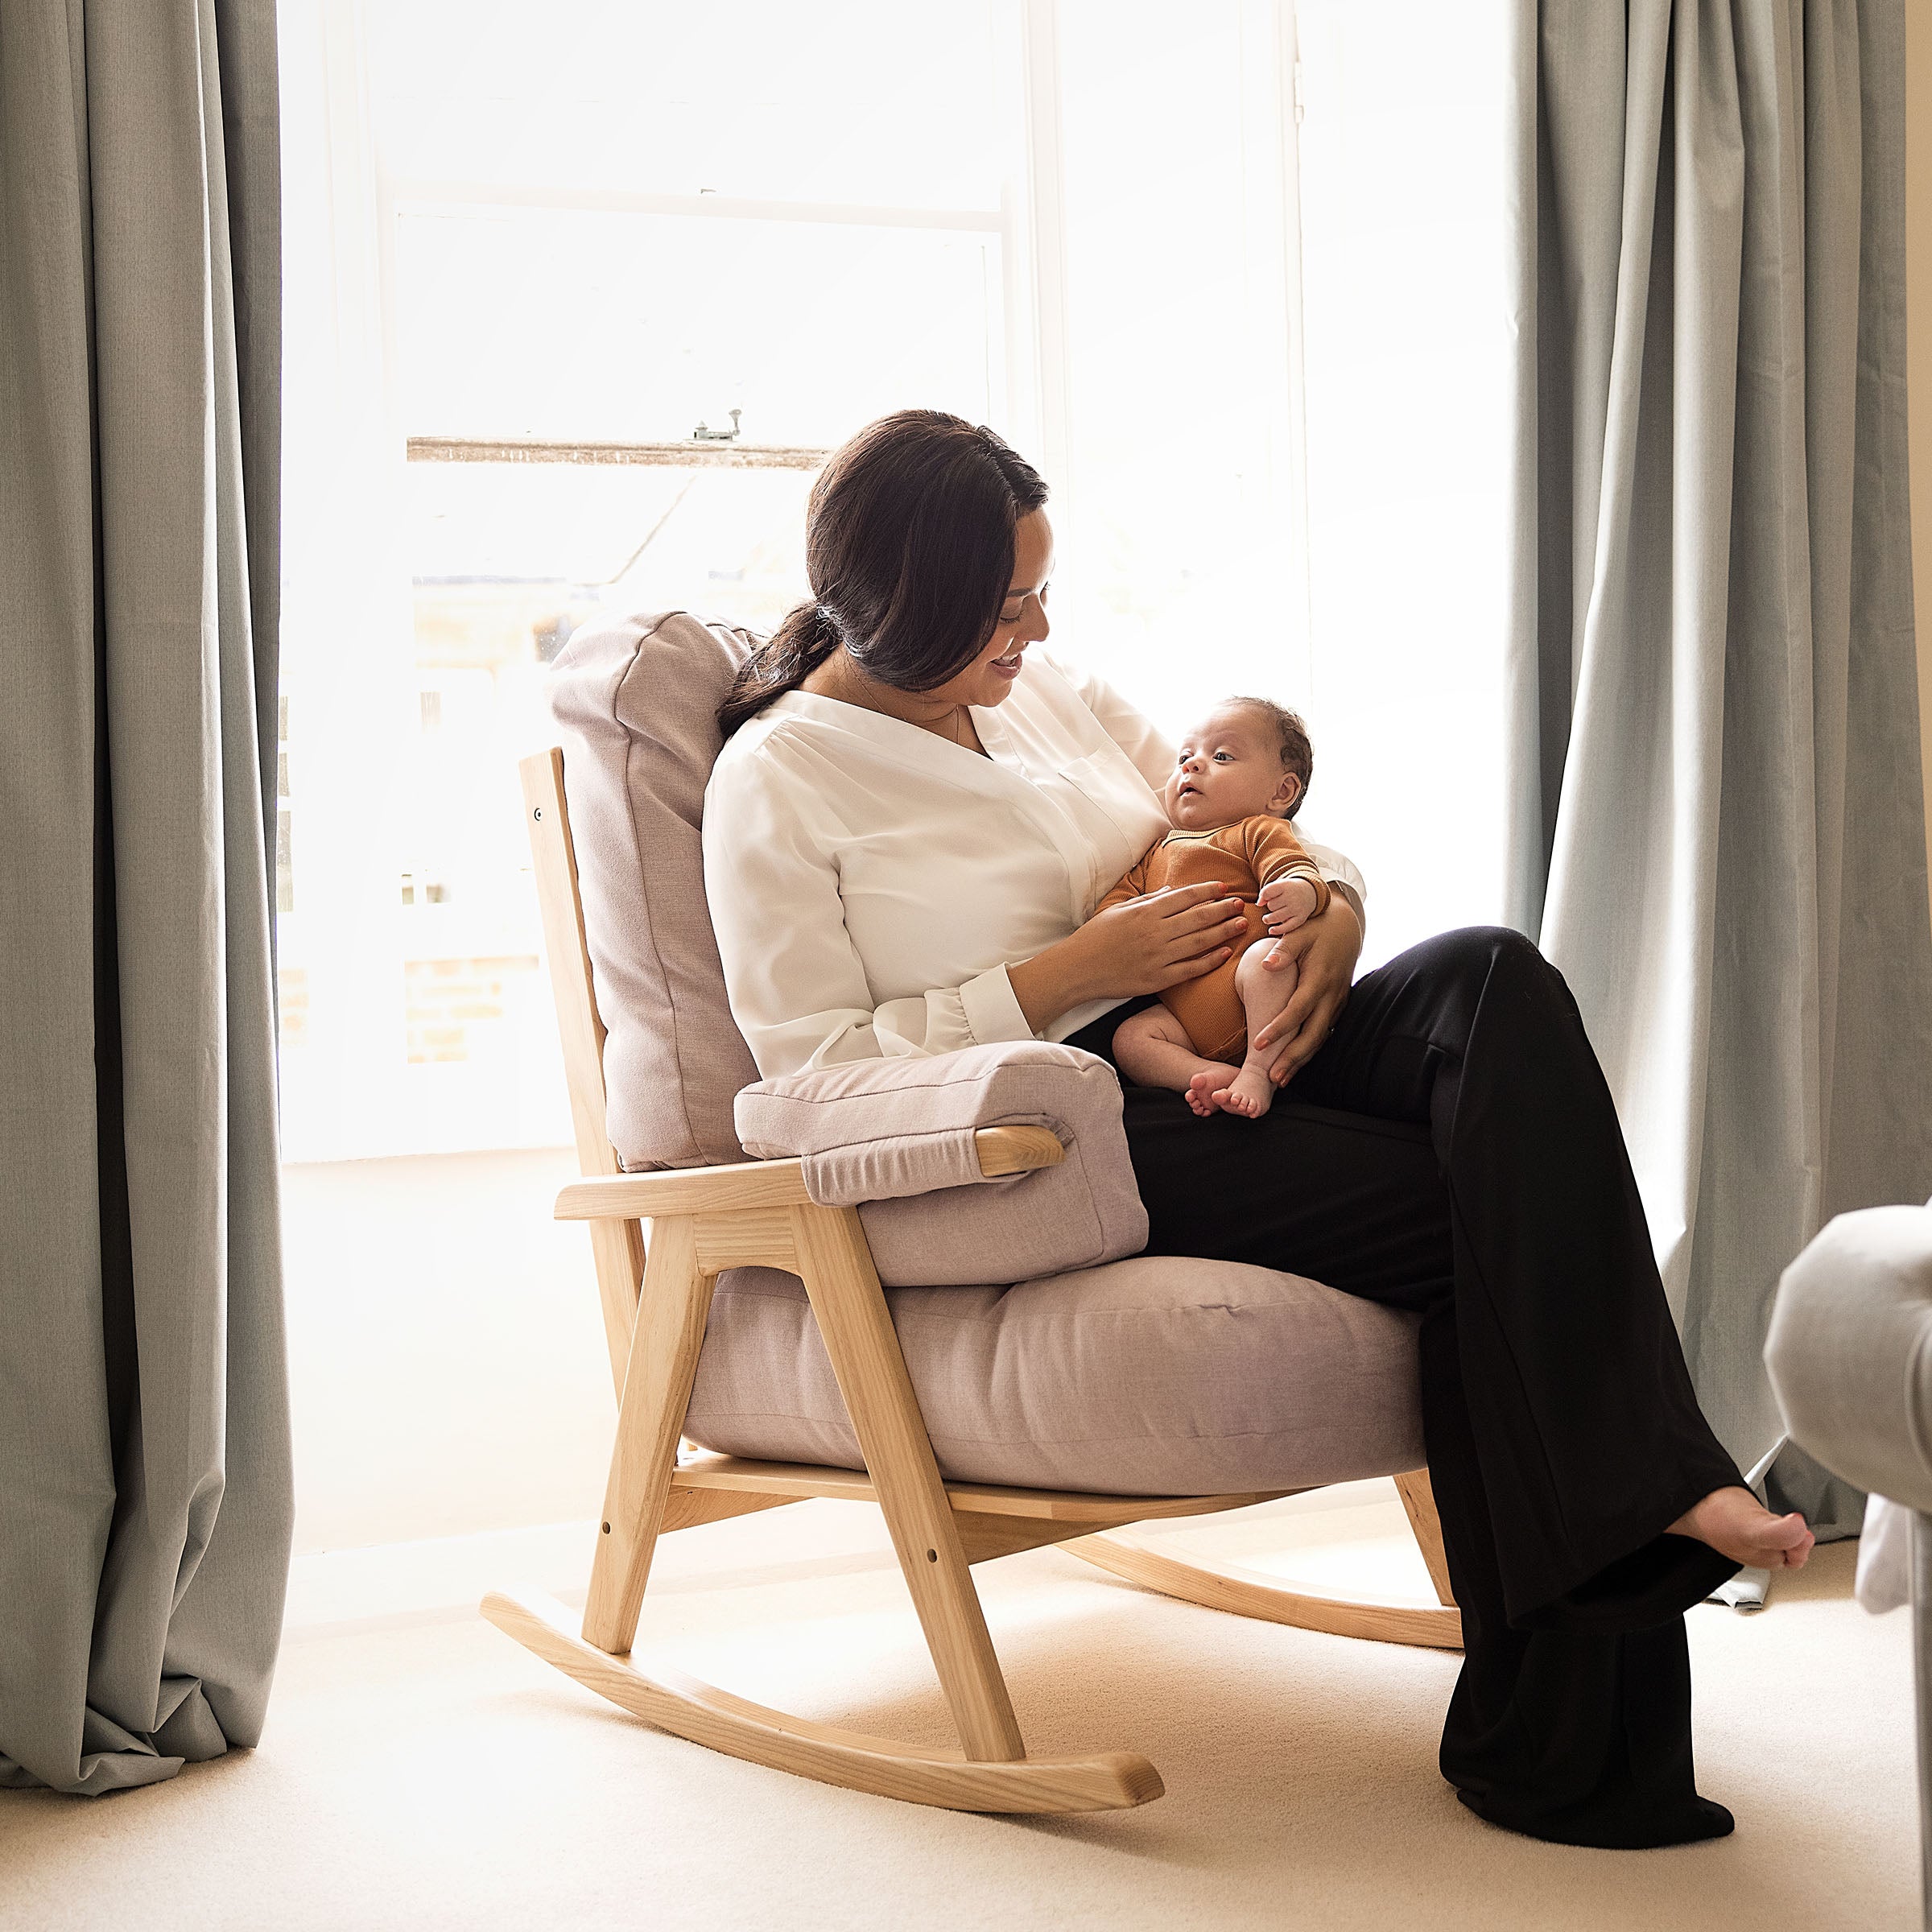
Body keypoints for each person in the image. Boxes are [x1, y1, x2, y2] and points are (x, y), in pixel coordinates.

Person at [701, 408, 1813, 1849]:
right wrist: (1065, 979)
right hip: (1093, 1120)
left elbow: (1252, 809)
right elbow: (805, 1075)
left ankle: (1628, 1569)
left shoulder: (1053, 696)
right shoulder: (779, 779)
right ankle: (1595, 1676)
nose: (1038, 627)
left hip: (1255, 1024)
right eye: (1008, 603)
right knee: (1494, 1204)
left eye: (1042, 591)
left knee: (1492, 973)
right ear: (904, 602)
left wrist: (1332, 912)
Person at [1101, 696, 1329, 1120]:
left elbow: (1294, 868)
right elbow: (1116, 909)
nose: (1191, 765)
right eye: (1185, 757)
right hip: (1186, 1020)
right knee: (1131, 1039)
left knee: (1268, 961)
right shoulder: (1156, 851)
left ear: (1281, 791)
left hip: (1256, 992)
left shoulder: (1255, 831)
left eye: (1221, 756)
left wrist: (1301, 890)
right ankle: (1208, 1074)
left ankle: (1258, 1071)